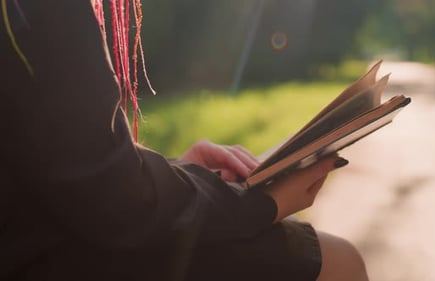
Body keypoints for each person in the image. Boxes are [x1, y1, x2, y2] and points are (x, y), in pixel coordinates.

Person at [0, 1, 369, 281]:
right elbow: (110, 195)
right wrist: (259, 205)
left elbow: (64, 159)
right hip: (38, 252)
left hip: (39, 231)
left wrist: (175, 170)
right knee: (339, 262)